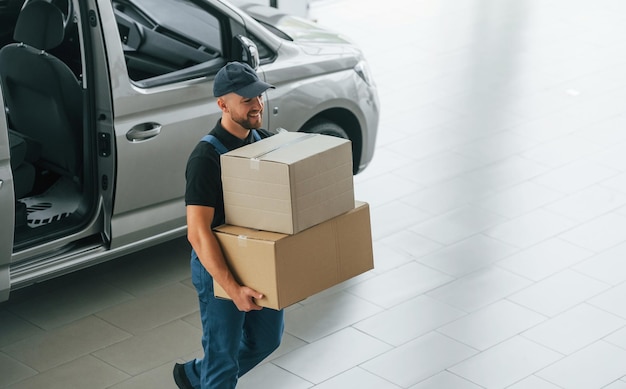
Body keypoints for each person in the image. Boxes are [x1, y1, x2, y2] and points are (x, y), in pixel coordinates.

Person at [174, 62, 284, 389]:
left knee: (266, 340)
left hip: (256, 259)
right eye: (247, 100)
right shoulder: (205, 158)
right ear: (222, 105)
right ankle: (208, 377)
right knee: (222, 362)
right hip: (217, 266)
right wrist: (232, 288)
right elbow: (197, 231)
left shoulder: (262, 141)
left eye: (259, 97)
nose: (258, 105)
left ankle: (195, 375)